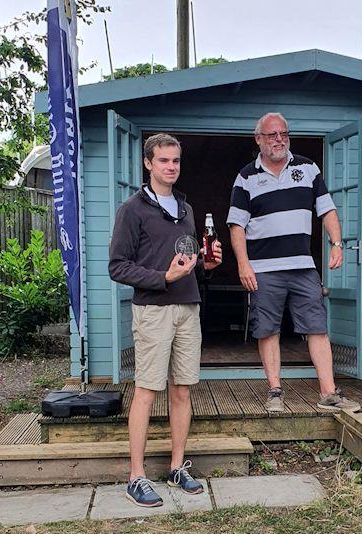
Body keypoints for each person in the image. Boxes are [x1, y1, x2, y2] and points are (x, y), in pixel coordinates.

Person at [109, 133, 222, 508]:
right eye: (163, 161)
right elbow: (117, 266)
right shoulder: (133, 209)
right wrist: (163, 279)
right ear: (148, 163)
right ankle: (136, 476)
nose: (171, 166)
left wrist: (206, 265)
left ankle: (177, 467)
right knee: (146, 390)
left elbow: (188, 264)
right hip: (153, 311)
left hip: (189, 307)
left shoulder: (187, 210)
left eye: (175, 160)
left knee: (183, 389)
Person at [227, 112, 360, 414]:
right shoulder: (246, 177)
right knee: (267, 330)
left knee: (317, 327)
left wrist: (337, 244)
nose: (279, 140)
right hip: (263, 269)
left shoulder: (308, 168)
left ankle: (329, 393)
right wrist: (243, 264)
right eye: (272, 135)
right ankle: (275, 391)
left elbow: (327, 211)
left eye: (283, 134)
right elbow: (236, 226)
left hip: (303, 267)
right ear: (258, 139)